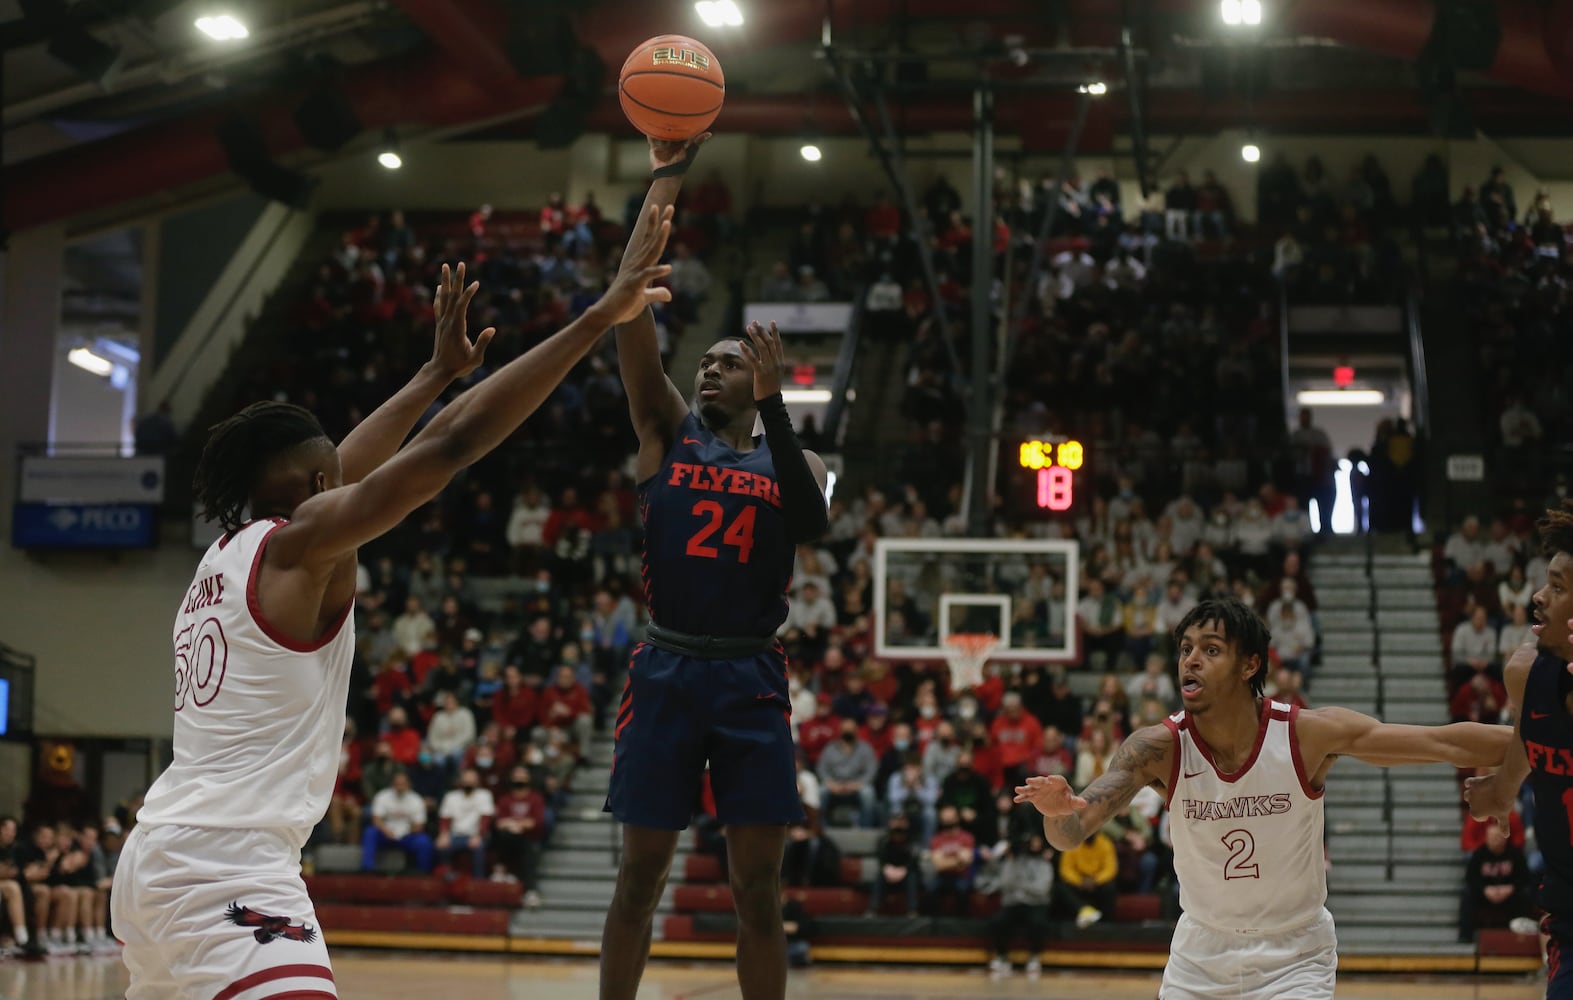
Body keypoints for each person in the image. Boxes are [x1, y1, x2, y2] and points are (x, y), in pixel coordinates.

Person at [110, 208, 678, 998]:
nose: (343, 480)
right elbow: (448, 449)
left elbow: (345, 467)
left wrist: (434, 374)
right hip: (225, 867)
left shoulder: (227, 555)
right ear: (313, 490)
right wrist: (594, 317)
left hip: (161, 857)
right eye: (330, 478)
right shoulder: (300, 542)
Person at [1016, 596, 1511, 1000]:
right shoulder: (1156, 747)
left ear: (1250, 664)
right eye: (1186, 647)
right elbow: (1071, 833)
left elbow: (1442, 741)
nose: (1191, 658)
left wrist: (1541, 745)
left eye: (1211, 649)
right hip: (1199, 956)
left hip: (1295, 955)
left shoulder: (1305, 735)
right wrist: (1057, 813)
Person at [599, 131, 829, 1000]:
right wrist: (666, 174)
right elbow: (630, 307)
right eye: (705, 359)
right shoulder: (664, 430)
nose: (708, 368)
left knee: (756, 890)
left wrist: (777, 409)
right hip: (665, 667)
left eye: (728, 362)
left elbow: (811, 528)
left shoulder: (796, 463)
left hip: (748, 676)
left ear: (761, 378)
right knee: (637, 879)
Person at [1465, 500, 1573, 1000]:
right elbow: (1527, 746)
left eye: (1558, 587)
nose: (1538, 597)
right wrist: (1502, 790)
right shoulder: (1526, 672)